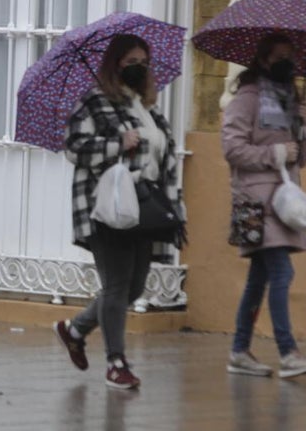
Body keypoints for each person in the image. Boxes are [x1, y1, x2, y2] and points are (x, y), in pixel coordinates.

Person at [52, 33, 185, 390]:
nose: (139, 68)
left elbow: (164, 162)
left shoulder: (149, 110)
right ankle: (116, 362)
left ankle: (75, 329)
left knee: (134, 287)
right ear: (115, 65)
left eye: (144, 62)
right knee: (115, 285)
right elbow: (74, 146)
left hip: (145, 206)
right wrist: (117, 143)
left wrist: (175, 209)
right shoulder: (94, 102)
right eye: (131, 63)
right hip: (107, 205)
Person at [221, 32, 306, 380]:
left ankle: (239, 350)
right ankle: (288, 352)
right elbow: (232, 149)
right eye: (279, 57)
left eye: (290, 57)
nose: (287, 64)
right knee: (281, 272)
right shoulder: (246, 100)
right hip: (255, 200)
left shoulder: (290, 101)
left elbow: (301, 161)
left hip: (284, 200)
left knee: (259, 278)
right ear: (262, 60)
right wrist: (274, 153)